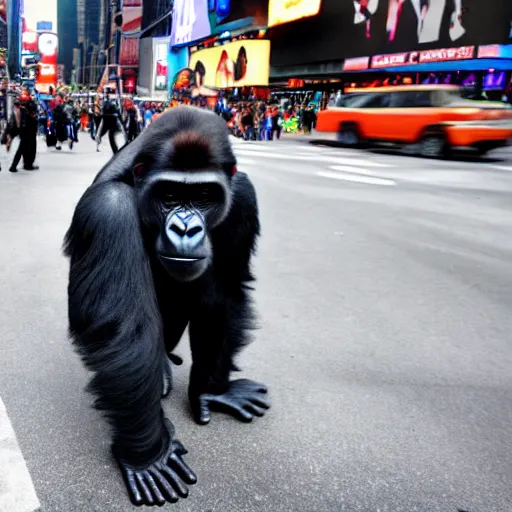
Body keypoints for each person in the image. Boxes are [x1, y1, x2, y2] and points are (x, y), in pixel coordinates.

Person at [6, 93, 39, 172]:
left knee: (25, 149)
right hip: (28, 132)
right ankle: (15, 166)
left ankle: (27, 164)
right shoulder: (25, 109)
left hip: (25, 131)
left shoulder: (21, 109)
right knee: (24, 149)